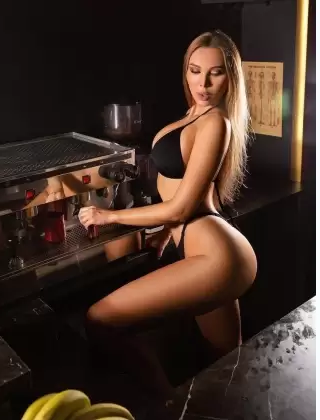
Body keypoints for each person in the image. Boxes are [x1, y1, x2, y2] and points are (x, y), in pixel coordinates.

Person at [79, 30, 257, 402]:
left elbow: (181, 207)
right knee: (227, 366)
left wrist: (109, 216)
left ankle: (166, 406)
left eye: (216, 73)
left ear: (230, 78)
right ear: (185, 71)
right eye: (195, 71)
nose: (203, 83)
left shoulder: (216, 123)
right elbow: (193, 195)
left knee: (99, 319)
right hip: (201, 247)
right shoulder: (194, 116)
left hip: (216, 254)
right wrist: (164, 234)